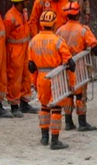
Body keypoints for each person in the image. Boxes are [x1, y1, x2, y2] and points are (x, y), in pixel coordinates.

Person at [27, 10, 74, 149]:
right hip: (56, 76)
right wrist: (71, 82)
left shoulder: (33, 41)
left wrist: (34, 82)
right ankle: (55, 139)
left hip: (41, 77)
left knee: (44, 107)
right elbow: (70, 62)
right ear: (53, 24)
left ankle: (44, 136)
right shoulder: (58, 41)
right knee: (57, 109)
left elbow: (31, 66)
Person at [57, 1, 97, 132]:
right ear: (78, 14)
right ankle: (82, 122)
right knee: (80, 95)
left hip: (65, 67)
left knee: (68, 94)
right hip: (79, 66)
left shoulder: (59, 30)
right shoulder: (83, 30)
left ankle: (68, 122)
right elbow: (96, 48)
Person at [4, 0, 32, 118]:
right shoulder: (10, 17)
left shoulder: (23, 13)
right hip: (14, 51)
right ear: (20, 2)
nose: (28, 1)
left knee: (26, 76)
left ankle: (24, 102)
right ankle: (14, 105)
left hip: (24, 48)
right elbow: (6, 36)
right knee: (15, 78)